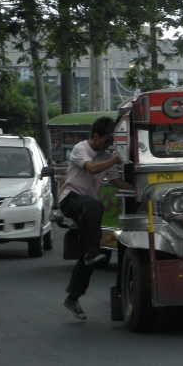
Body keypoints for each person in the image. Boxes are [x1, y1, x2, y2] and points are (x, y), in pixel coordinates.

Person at [59, 116, 134, 321]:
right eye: (106, 140)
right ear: (95, 136)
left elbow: (118, 182)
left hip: (88, 209)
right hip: (71, 200)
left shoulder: (106, 155)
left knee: (89, 257)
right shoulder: (80, 149)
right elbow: (91, 168)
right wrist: (116, 158)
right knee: (95, 204)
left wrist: (141, 191)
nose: (108, 145)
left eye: (111, 142)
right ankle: (91, 252)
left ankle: (72, 297)